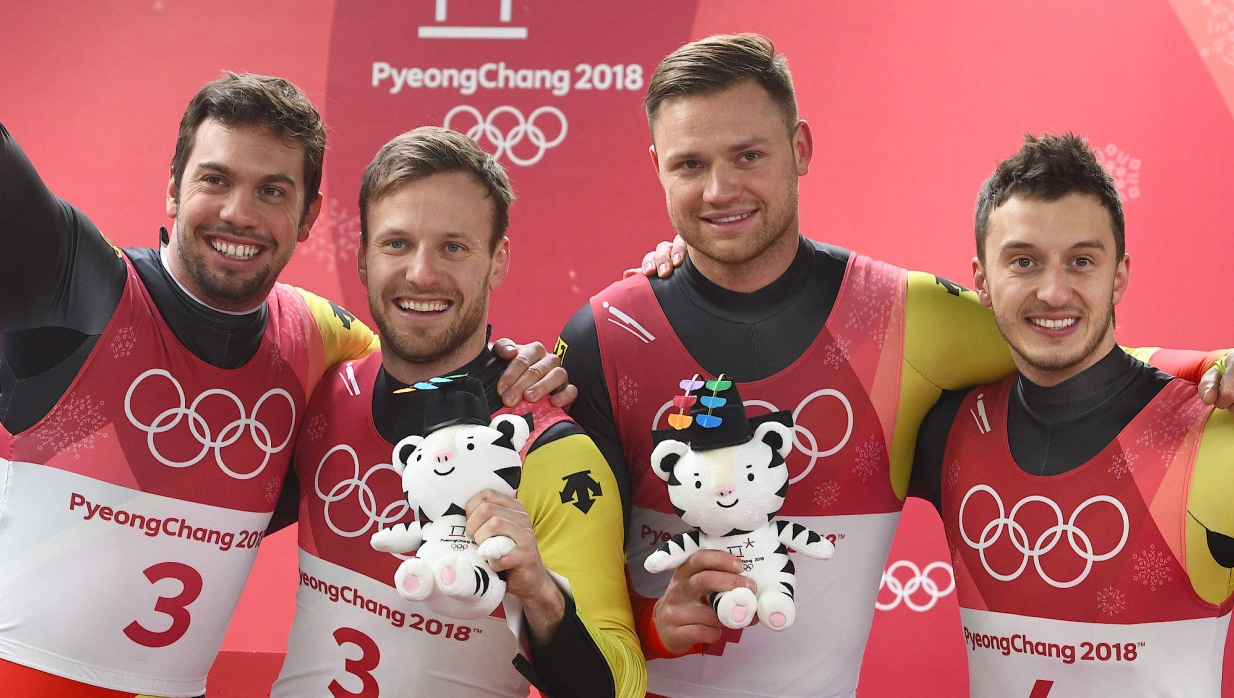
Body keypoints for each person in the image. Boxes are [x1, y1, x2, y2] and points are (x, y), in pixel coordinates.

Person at [556, 33, 1229, 697]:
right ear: (656, 167)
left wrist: (1207, 368)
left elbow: (1062, 342)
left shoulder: (904, 315)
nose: (720, 188)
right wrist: (652, 622)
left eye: (748, 155)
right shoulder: (606, 336)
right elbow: (563, 605)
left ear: (800, 149)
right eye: (689, 165)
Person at [0, 73, 565, 697]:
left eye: (272, 190)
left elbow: (423, 355)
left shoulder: (319, 334)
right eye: (215, 179)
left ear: (309, 216)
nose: (240, 213)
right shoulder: (80, 286)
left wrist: (519, 373)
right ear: (173, 187)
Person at [270, 127, 645, 697]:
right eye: (396, 243)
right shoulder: (324, 387)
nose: (421, 273)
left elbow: (623, 684)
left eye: (454, 246)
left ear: (498, 262)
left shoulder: (551, 449)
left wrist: (542, 593)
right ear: (363, 258)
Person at [909, 133, 1233, 697]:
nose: (1054, 292)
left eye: (1081, 261)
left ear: (1120, 275)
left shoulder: (1210, 429)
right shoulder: (944, 428)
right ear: (982, 282)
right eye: (1024, 261)